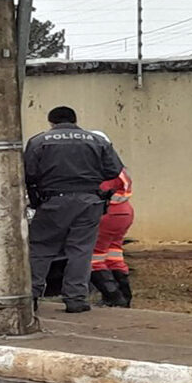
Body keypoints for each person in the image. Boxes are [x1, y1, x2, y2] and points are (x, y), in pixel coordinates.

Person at [24, 106, 123, 313]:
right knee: (81, 250)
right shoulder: (97, 141)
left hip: (53, 201)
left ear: (51, 122)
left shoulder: (39, 141)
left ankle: (30, 296)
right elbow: (113, 169)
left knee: (41, 248)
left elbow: (29, 173)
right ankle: (76, 299)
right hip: (89, 201)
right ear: (75, 120)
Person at [89, 130, 134, 308]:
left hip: (106, 213)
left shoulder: (100, 168)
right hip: (123, 213)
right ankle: (125, 296)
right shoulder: (119, 167)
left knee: (93, 256)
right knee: (114, 254)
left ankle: (113, 296)